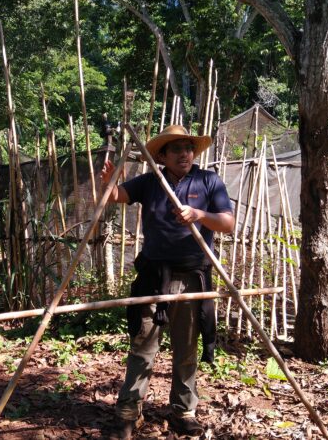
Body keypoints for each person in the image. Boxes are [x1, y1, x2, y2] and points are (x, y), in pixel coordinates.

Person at [100, 125, 235, 439]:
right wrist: (109, 183)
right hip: (154, 279)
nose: (184, 154)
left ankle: (183, 410)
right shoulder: (151, 182)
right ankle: (128, 412)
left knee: (186, 349)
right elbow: (118, 196)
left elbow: (227, 223)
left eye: (188, 148)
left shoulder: (208, 180)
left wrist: (199, 215)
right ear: (161, 156)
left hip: (192, 279)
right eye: (176, 149)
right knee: (143, 347)